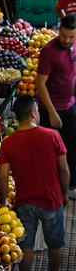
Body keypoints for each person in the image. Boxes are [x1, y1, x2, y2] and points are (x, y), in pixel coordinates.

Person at [0, 95, 69, 271]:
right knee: (55, 244)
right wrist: (64, 193)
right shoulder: (52, 135)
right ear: (32, 113)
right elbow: (64, 169)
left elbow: (3, 177)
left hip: (24, 201)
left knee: (25, 245)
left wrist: (3, 202)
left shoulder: (9, 142)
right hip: (51, 199)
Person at [36, 13, 76, 193]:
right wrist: (52, 112)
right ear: (58, 31)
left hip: (70, 106)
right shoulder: (49, 51)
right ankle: (48, 188)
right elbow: (40, 84)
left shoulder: (74, 45)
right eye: (64, 36)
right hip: (50, 110)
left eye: (71, 37)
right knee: (50, 153)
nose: (67, 40)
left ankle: (69, 185)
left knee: (72, 147)